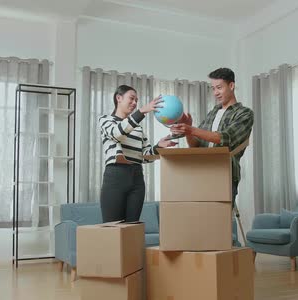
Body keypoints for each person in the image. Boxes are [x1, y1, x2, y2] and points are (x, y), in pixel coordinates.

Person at [170, 68, 254, 207]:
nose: (215, 93)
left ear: (231, 86)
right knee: (201, 222)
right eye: (213, 88)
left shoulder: (244, 114)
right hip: (202, 172)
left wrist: (192, 129)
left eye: (219, 88)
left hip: (224, 174)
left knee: (219, 223)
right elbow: (196, 145)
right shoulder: (213, 112)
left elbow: (226, 139)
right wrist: (188, 130)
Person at [99, 85, 176, 223]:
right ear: (119, 98)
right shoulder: (106, 120)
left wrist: (159, 146)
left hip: (137, 178)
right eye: (132, 98)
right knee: (112, 229)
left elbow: (145, 156)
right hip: (115, 176)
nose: (135, 103)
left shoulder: (137, 128)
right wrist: (142, 111)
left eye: (137, 100)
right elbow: (117, 133)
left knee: (132, 227)